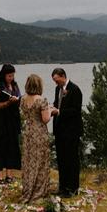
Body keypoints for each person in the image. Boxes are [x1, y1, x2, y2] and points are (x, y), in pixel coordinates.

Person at [18, 73, 54, 203]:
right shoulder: (41, 100)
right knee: (40, 161)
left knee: (28, 161)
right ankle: (38, 191)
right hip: (39, 132)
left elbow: (26, 114)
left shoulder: (22, 99)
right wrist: (51, 111)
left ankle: (28, 189)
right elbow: (45, 119)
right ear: (39, 85)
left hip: (28, 131)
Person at [51, 68, 84, 197]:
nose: (56, 83)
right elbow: (57, 103)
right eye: (54, 81)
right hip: (59, 130)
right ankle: (62, 187)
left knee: (72, 160)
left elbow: (76, 111)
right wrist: (52, 108)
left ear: (63, 76)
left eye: (57, 80)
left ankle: (73, 188)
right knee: (61, 160)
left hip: (71, 131)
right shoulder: (57, 89)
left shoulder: (75, 89)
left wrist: (59, 112)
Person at [0, 64, 22, 183]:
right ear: (3, 75)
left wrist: (17, 100)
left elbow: (19, 98)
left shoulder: (15, 85)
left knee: (12, 145)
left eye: (12, 75)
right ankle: (0, 175)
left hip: (12, 120)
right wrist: (9, 102)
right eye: (9, 75)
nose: (11, 78)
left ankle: (10, 174)